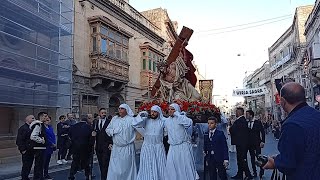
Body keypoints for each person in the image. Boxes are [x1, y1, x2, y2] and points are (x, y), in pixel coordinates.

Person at [263, 82, 320, 179]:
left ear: (282, 101)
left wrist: (275, 162)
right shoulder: (317, 115)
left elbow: (288, 163)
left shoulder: (291, 124)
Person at [164, 103, 197, 180]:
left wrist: (178, 114)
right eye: (169, 109)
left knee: (184, 166)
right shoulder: (166, 121)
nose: (170, 111)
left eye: (172, 109)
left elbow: (189, 123)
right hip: (172, 147)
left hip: (183, 146)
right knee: (171, 166)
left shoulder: (181, 118)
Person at [133, 105, 166, 180]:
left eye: (155, 112)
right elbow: (135, 124)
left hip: (158, 147)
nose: (153, 113)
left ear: (158, 113)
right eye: (151, 111)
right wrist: (141, 115)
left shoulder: (162, 121)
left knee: (159, 165)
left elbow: (167, 130)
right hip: (147, 147)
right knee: (147, 165)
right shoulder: (145, 121)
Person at [106, 104, 137, 180]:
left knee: (126, 168)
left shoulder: (131, 119)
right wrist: (113, 131)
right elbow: (108, 129)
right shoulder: (115, 119)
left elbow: (140, 127)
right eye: (119, 108)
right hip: (116, 148)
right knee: (115, 170)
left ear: (126, 110)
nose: (120, 110)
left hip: (127, 148)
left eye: (122, 109)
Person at [68, 115, 94, 180]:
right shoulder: (89, 127)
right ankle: (88, 175)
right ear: (87, 120)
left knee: (75, 161)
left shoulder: (73, 127)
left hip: (75, 147)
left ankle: (71, 175)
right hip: (86, 147)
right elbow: (91, 139)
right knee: (86, 162)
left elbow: (70, 135)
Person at [229, 107, 252, 179]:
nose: (235, 113)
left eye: (236, 112)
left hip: (241, 144)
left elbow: (233, 130)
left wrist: (231, 126)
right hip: (241, 143)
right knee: (240, 160)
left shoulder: (240, 121)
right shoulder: (242, 120)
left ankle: (248, 175)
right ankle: (240, 174)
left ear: (240, 112)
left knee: (242, 160)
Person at [246, 110, 265, 178]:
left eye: (247, 114)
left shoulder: (257, 122)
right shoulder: (246, 123)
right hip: (250, 144)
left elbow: (262, 132)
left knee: (259, 157)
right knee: (252, 158)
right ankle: (254, 172)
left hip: (257, 143)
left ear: (251, 115)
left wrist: (263, 141)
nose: (246, 116)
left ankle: (262, 169)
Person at [95, 108, 113, 180]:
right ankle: (104, 176)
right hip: (98, 147)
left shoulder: (109, 122)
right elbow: (95, 132)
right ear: (99, 113)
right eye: (102, 113)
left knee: (105, 163)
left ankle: (104, 178)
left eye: (105, 113)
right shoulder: (96, 122)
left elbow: (112, 134)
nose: (104, 114)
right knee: (100, 163)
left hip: (106, 146)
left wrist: (111, 143)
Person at [30, 112, 48, 180]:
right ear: (41, 117)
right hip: (39, 148)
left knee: (39, 165)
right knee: (39, 165)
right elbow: (33, 136)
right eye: (45, 116)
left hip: (40, 148)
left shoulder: (40, 125)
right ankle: (38, 178)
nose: (47, 118)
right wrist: (41, 140)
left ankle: (39, 177)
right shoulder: (38, 125)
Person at [16, 115, 35, 180]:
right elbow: (19, 140)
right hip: (26, 150)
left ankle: (26, 177)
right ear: (27, 119)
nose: (34, 119)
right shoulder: (23, 128)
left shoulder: (32, 128)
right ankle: (24, 178)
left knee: (29, 165)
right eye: (32, 118)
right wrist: (23, 150)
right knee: (26, 165)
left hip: (31, 150)